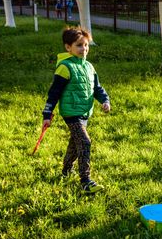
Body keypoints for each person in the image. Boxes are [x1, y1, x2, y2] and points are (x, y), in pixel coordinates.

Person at [42, 26, 111, 194]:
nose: (84, 49)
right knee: (85, 142)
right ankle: (85, 180)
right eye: (79, 45)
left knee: (75, 144)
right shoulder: (65, 67)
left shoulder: (89, 67)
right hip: (71, 113)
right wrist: (47, 114)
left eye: (86, 45)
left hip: (85, 112)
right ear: (68, 47)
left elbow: (97, 88)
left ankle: (66, 170)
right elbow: (54, 93)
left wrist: (105, 100)